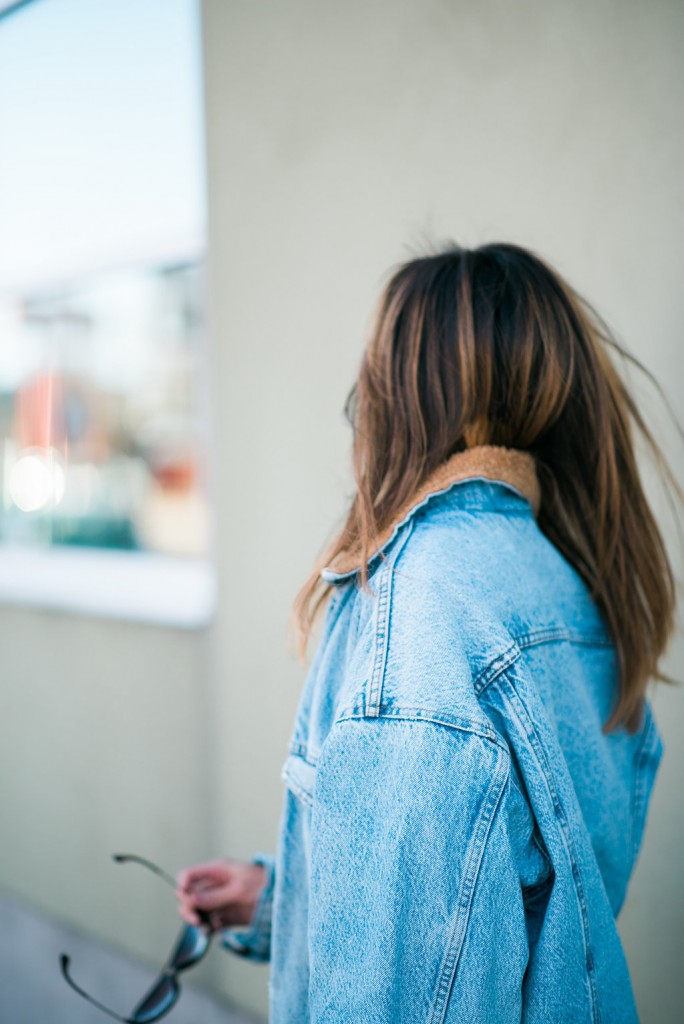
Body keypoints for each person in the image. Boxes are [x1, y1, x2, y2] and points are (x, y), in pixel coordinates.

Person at [175, 242, 679, 1022]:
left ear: (395, 400)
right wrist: (283, 901)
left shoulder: (417, 616)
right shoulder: (569, 583)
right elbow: (506, 906)